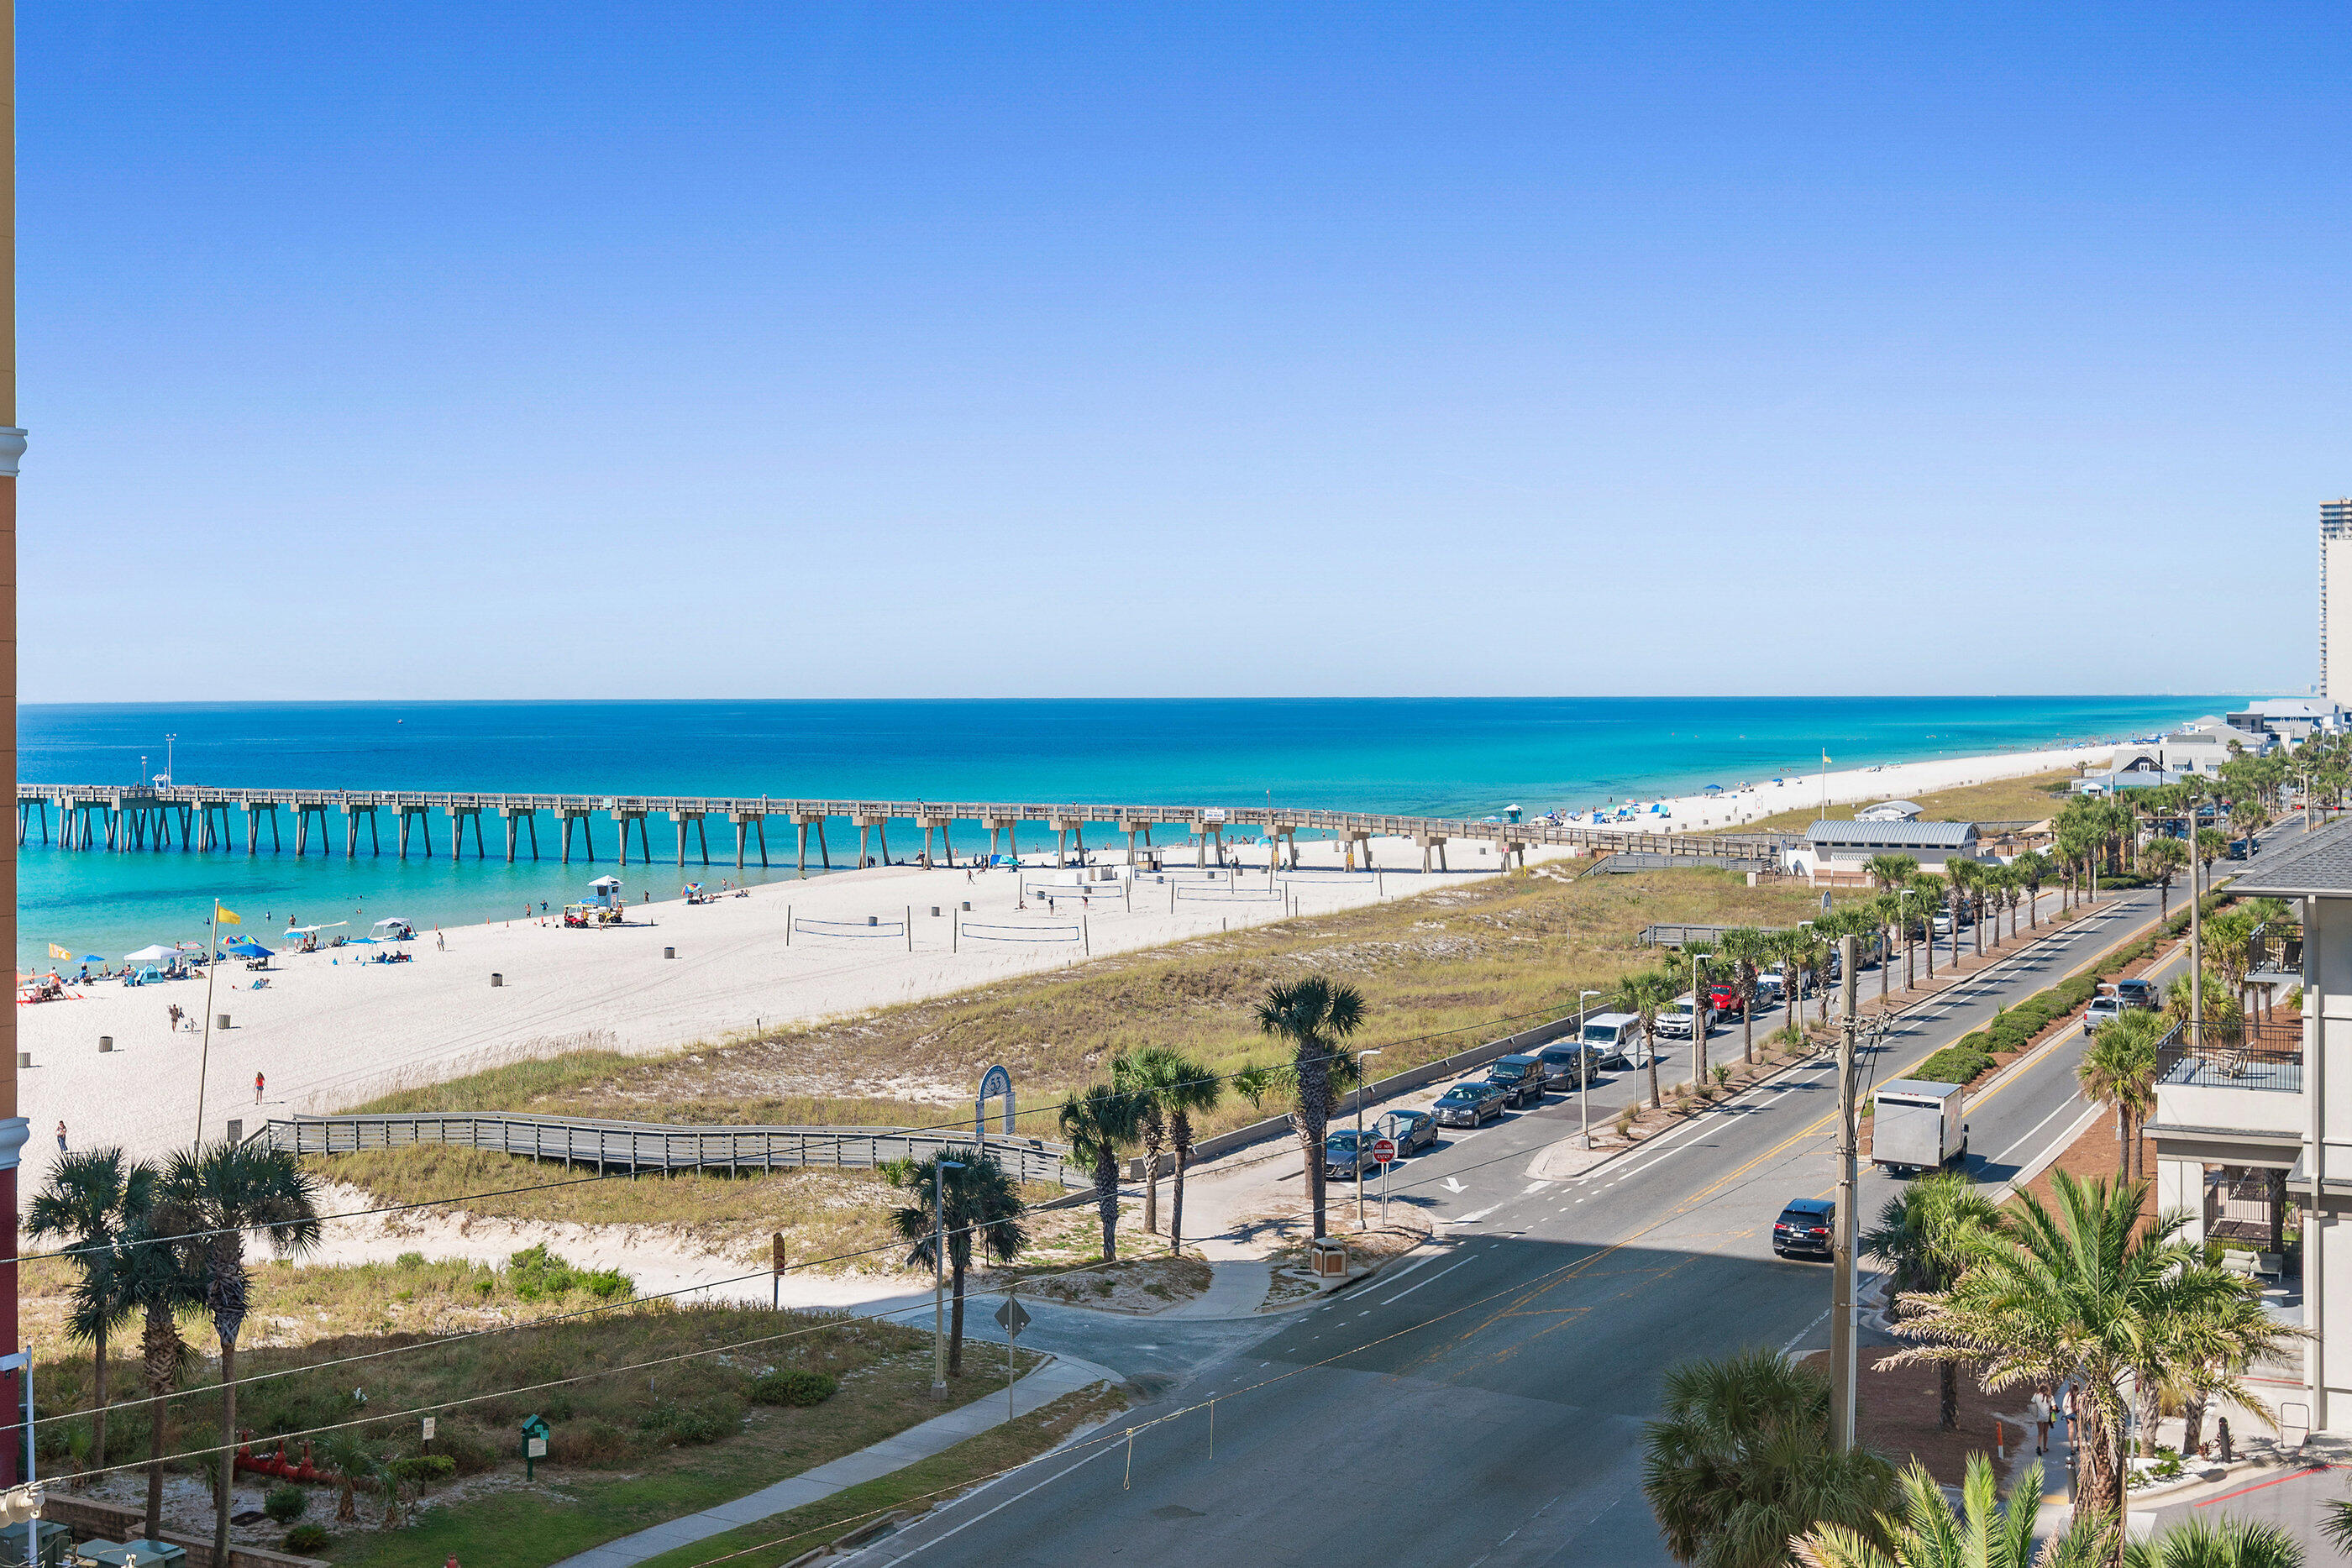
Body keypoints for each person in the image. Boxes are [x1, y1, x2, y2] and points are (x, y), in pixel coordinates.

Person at [2029, 1386, 2052, 1455]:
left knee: (2040, 1432)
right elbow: (2054, 1406)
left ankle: (2038, 1446)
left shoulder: (2036, 1395)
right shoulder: (2050, 1397)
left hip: (2039, 1417)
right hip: (2047, 1417)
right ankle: (2045, 1447)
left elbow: (2032, 1401)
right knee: (2046, 1432)